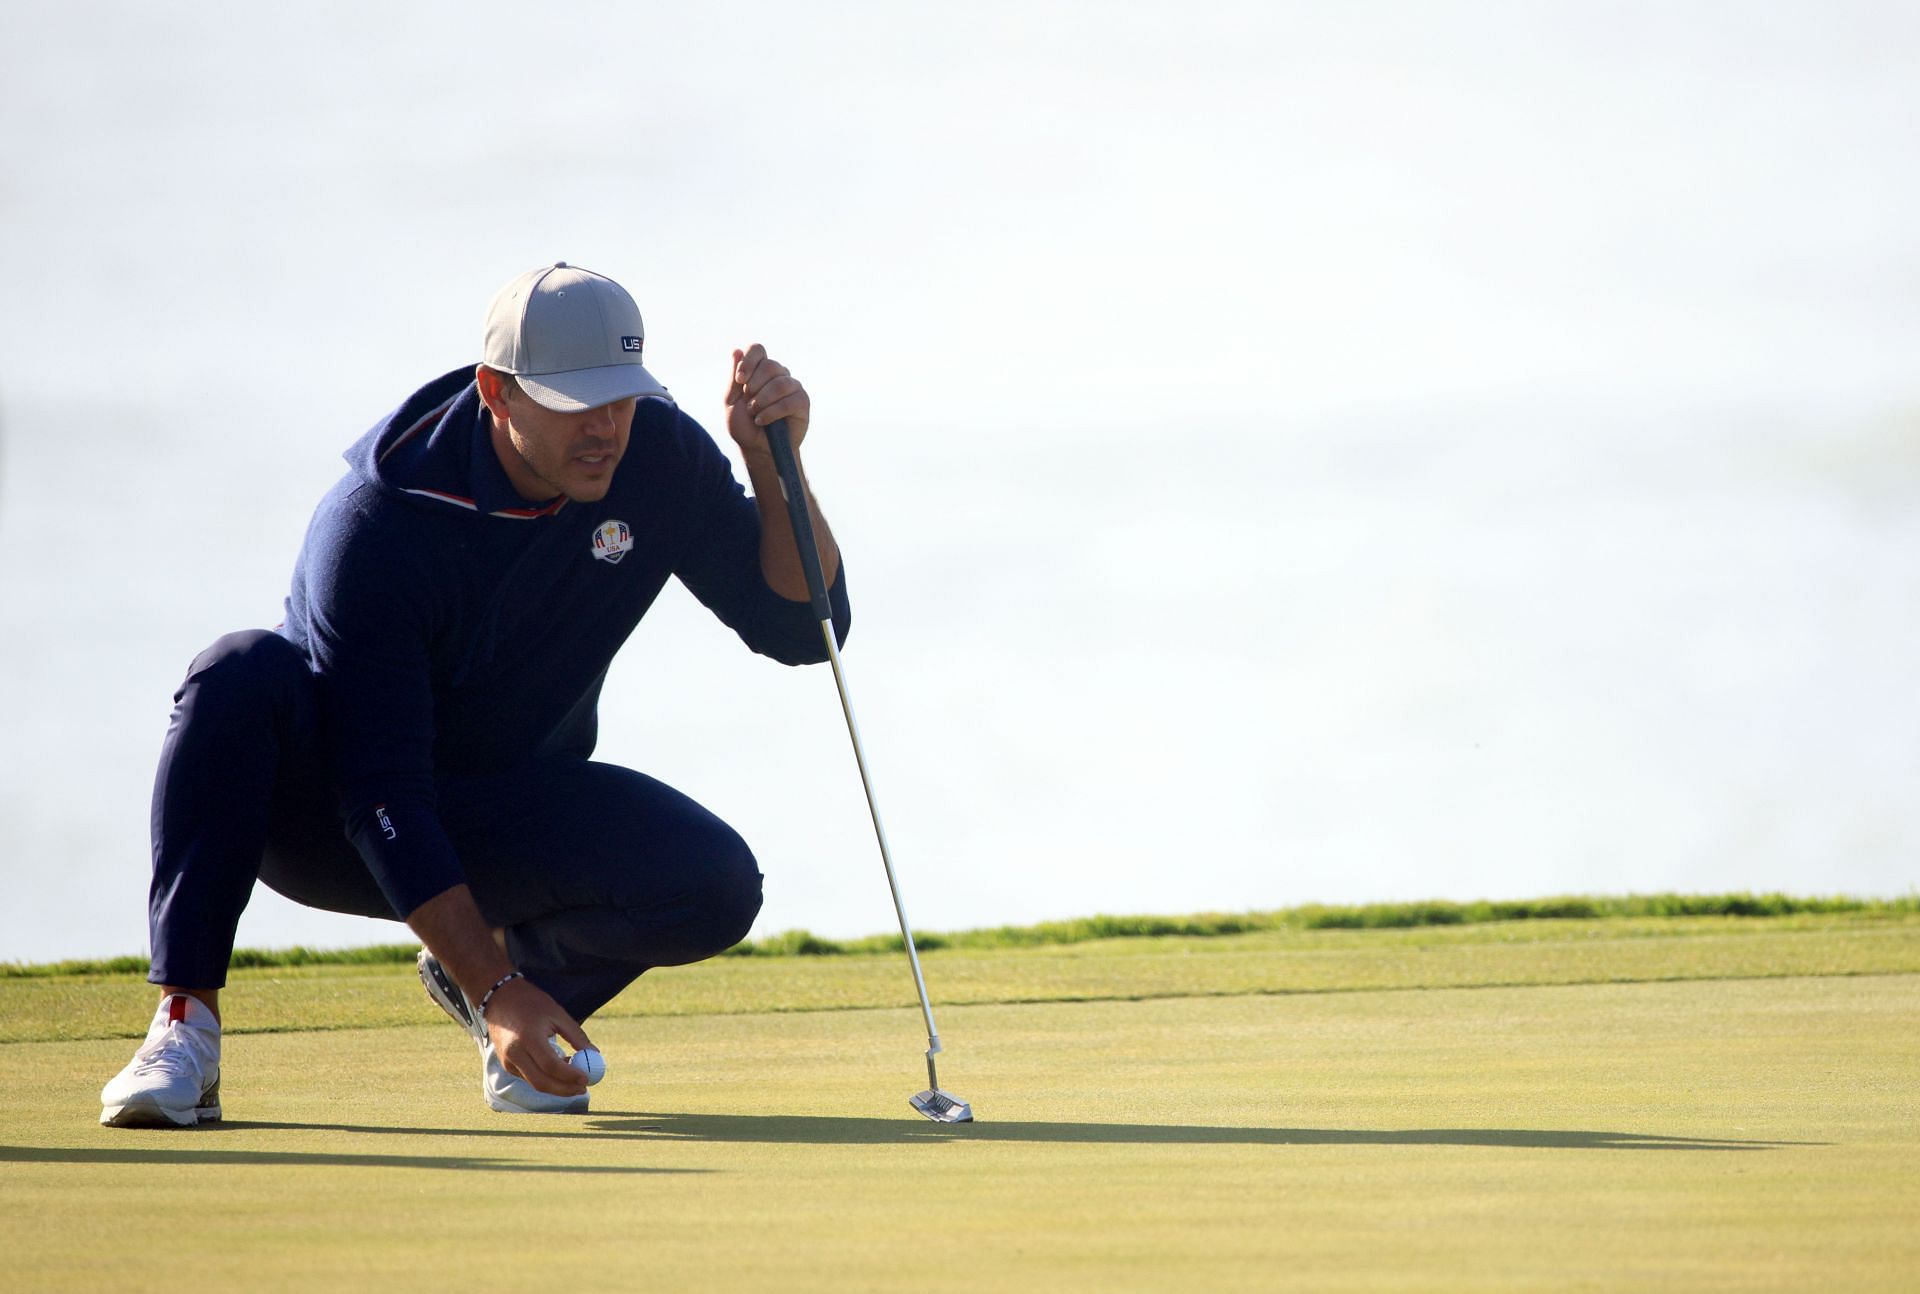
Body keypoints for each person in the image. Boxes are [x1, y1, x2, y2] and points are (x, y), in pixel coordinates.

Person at [100, 262, 849, 1125]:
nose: (605, 428)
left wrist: (772, 467)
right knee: (233, 675)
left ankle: (516, 1004)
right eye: (575, 404)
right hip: (332, 819)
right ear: (499, 392)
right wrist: (488, 979)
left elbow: (801, 627)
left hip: (501, 805)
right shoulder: (379, 524)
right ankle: (185, 1027)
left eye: (621, 397)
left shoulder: (657, 455)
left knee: (712, 883)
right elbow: (379, 787)